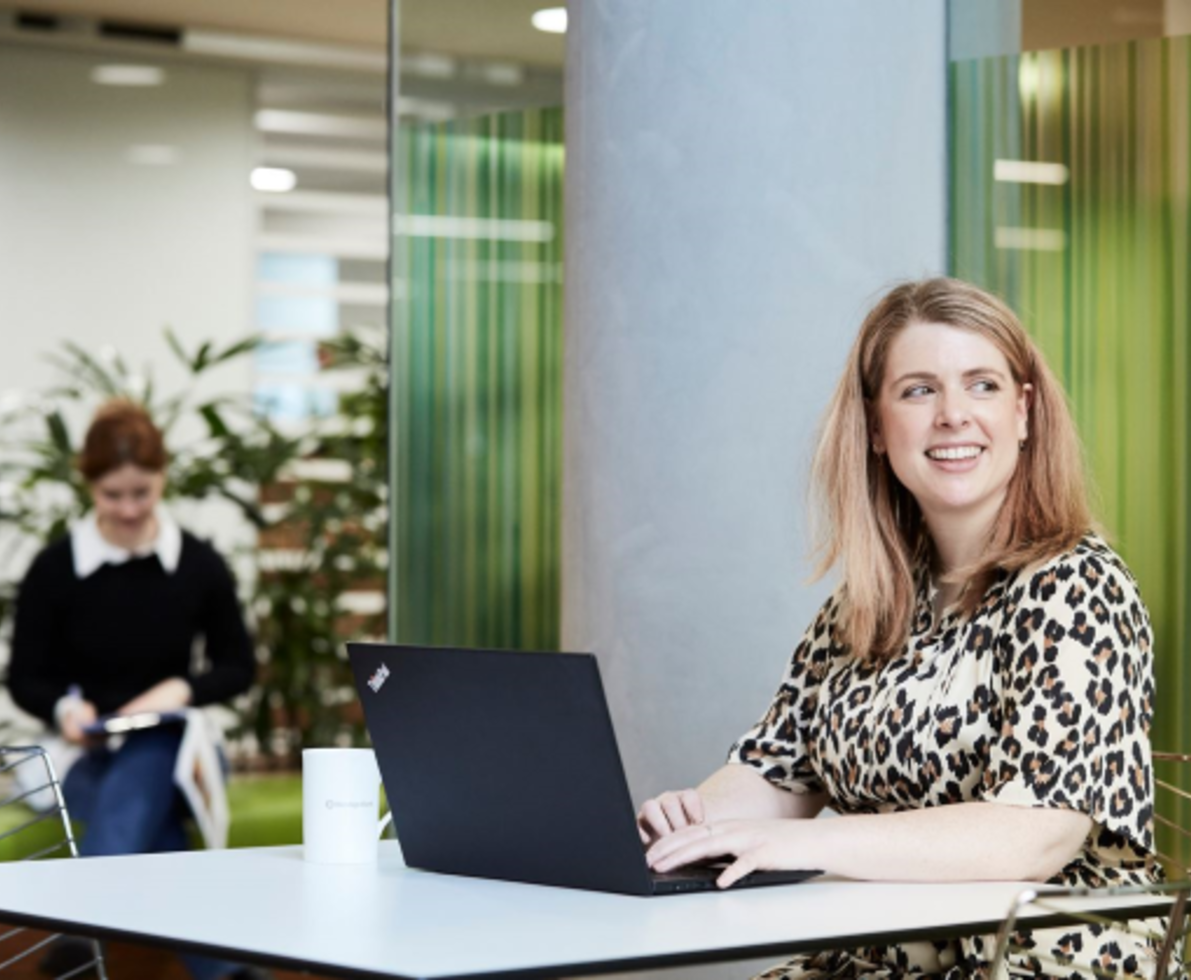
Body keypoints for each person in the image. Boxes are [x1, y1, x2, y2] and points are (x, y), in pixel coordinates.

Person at [637, 278, 1161, 978]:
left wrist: (804, 845)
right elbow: (774, 772)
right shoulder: (868, 601)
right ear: (876, 427)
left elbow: (1030, 834)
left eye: (981, 386)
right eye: (918, 391)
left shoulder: (1077, 591)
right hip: (879, 952)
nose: (952, 415)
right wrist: (689, 825)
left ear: (1024, 411)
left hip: (1034, 958)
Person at [8, 398, 265, 980]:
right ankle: (225, 971)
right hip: (84, 752)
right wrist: (66, 708)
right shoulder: (54, 568)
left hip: (181, 748)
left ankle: (77, 940)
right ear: (89, 486)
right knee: (150, 818)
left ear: (163, 478)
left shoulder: (198, 564)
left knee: (153, 753)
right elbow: (24, 678)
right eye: (112, 496)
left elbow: (238, 666)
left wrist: (179, 690)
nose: (127, 509)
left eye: (142, 493)